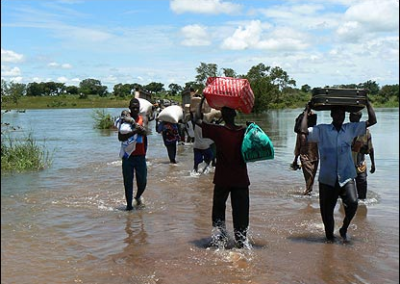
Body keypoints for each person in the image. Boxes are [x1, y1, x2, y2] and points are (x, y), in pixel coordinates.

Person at [300, 101, 377, 242]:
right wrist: (306, 112)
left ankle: (344, 228)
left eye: (342, 114)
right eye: (337, 113)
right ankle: (329, 241)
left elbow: (372, 121)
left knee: (353, 202)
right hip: (327, 178)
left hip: (346, 176)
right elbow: (303, 133)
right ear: (332, 115)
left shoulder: (350, 129)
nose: (340, 116)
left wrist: (367, 103)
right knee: (327, 213)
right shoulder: (322, 130)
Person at [194, 96, 250, 248]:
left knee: (218, 209)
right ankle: (241, 241)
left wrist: (202, 101)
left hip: (222, 179)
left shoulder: (218, 131)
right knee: (241, 212)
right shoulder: (245, 131)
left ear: (223, 116)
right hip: (240, 179)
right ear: (235, 115)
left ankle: (221, 238)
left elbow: (197, 121)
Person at [118, 98, 148, 211]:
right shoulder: (125, 120)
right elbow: (120, 137)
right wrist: (135, 131)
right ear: (129, 108)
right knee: (128, 181)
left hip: (140, 155)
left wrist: (142, 130)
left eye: (137, 107)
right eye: (133, 107)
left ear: (139, 108)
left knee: (143, 182)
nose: (135, 109)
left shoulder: (143, 119)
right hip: (127, 156)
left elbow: (146, 134)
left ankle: (137, 196)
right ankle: (129, 206)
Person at [291, 111, 319, 195]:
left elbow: (297, 148)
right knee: (310, 180)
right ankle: (308, 196)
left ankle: (307, 196)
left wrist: (295, 160)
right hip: (309, 158)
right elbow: (298, 147)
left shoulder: (314, 131)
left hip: (312, 158)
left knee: (310, 180)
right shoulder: (312, 132)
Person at [349, 111, 376, 200]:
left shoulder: (366, 133)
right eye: (350, 116)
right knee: (347, 194)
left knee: (362, 196)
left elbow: (371, 149)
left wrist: (373, 163)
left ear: (359, 118)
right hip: (346, 166)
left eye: (353, 116)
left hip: (360, 166)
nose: (351, 118)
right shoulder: (345, 130)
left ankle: (361, 210)